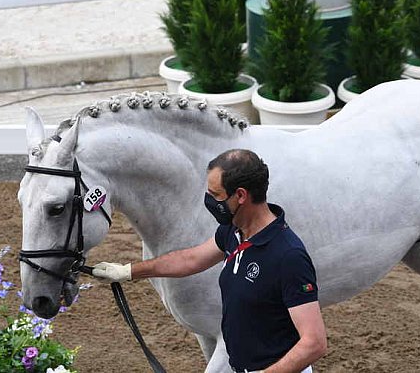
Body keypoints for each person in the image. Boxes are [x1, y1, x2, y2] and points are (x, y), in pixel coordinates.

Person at [92, 149, 327, 373]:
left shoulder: (288, 256)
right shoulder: (233, 231)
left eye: (215, 195)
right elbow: (190, 259)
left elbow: (314, 343)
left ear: (241, 195)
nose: (210, 201)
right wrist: (128, 271)